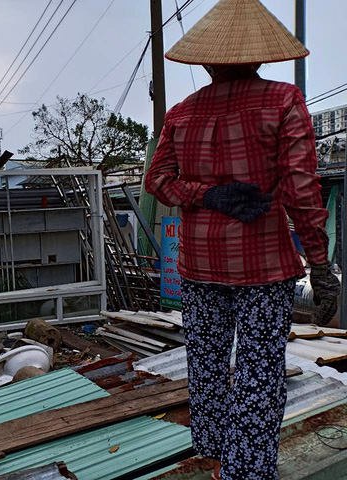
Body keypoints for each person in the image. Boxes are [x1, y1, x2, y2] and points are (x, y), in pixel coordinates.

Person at [143, 0, 341, 479]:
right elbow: (301, 186)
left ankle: (215, 458)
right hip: (264, 268)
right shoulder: (283, 100)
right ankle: (246, 472)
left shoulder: (182, 113)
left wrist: (206, 195)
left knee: (207, 369)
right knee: (258, 375)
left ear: (207, 61)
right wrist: (320, 263)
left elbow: (157, 180)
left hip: (199, 266)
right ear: (259, 57)